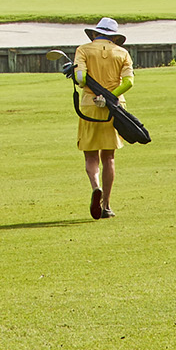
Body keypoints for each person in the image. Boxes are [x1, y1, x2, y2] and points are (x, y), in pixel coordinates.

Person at [73, 17, 133, 219]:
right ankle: (106, 205)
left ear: (95, 34)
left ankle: (95, 186)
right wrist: (110, 96)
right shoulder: (122, 53)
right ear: (114, 37)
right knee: (109, 157)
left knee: (91, 155)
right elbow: (129, 82)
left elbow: (81, 79)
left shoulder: (83, 50)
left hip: (89, 106)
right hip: (113, 108)